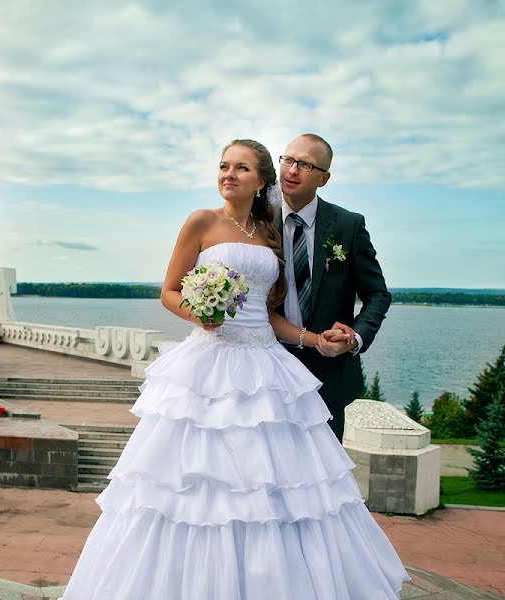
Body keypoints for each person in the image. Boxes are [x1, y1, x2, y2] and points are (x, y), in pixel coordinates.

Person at [60, 140, 407, 599]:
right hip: (207, 368)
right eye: (223, 166)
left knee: (274, 485)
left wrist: (316, 340)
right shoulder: (201, 222)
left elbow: (269, 314)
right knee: (200, 485)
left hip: (265, 366)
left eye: (241, 168)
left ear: (261, 180)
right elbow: (169, 291)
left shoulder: (268, 234)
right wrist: (198, 312)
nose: (228, 174)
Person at [273, 134, 392, 441]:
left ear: (323, 178)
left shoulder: (347, 225)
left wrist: (354, 337)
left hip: (328, 377)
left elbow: (377, 294)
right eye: (287, 160)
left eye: (304, 164)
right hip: (266, 369)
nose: (292, 170)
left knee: (324, 479)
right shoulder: (258, 221)